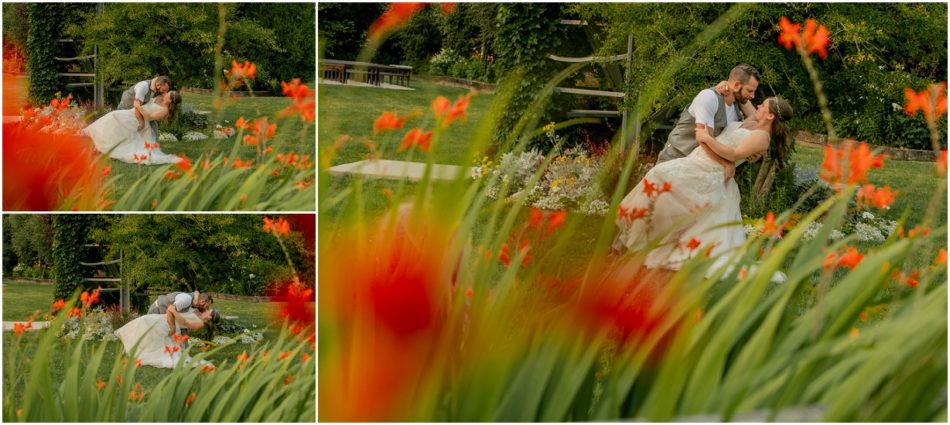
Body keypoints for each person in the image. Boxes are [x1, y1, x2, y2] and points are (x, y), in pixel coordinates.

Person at [614, 96, 793, 272]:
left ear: (770, 116)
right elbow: (743, 97)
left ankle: (644, 241)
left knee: (661, 178)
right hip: (699, 160)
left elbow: (732, 154)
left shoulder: (762, 137)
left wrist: (707, 138)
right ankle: (636, 238)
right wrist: (723, 86)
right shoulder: (756, 120)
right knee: (660, 182)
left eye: (763, 105)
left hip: (712, 172)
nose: (758, 105)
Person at [656, 64, 762, 180]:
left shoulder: (736, 109)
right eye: (750, 90)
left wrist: (749, 153)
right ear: (737, 85)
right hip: (675, 161)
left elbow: (758, 122)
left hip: (699, 170)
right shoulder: (709, 98)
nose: (753, 96)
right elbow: (705, 141)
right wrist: (727, 164)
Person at [83, 90, 182, 164]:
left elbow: (148, 117)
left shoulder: (164, 110)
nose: (165, 95)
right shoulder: (159, 98)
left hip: (140, 120)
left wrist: (138, 107)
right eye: (167, 93)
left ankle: (104, 147)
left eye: (167, 95)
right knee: (112, 118)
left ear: (170, 101)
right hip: (132, 113)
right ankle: (97, 142)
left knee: (114, 116)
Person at [113, 307, 215, 368]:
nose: (206, 310)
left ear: (210, 317)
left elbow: (184, 323)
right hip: (165, 319)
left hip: (170, 325)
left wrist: (173, 311)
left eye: (209, 311)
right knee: (142, 322)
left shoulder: (200, 323)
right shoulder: (197, 312)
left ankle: (133, 351)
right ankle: (129, 348)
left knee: (145, 323)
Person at [117, 76, 171, 141]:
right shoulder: (143, 86)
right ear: (158, 85)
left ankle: (153, 146)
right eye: (164, 90)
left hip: (139, 111)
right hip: (127, 107)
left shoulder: (156, 89)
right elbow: (136, 105)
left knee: (154, 126)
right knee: (123, 128)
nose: (164, 92)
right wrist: (141, 122)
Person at [146, 290, 213, 337]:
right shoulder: (186, 299)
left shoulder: (192, 303)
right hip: (156, 310)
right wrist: (172, 328)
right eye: (206, 306)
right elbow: (170, 309)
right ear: (202, 301)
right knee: (150, 336)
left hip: (164, 315)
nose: (206, 308)